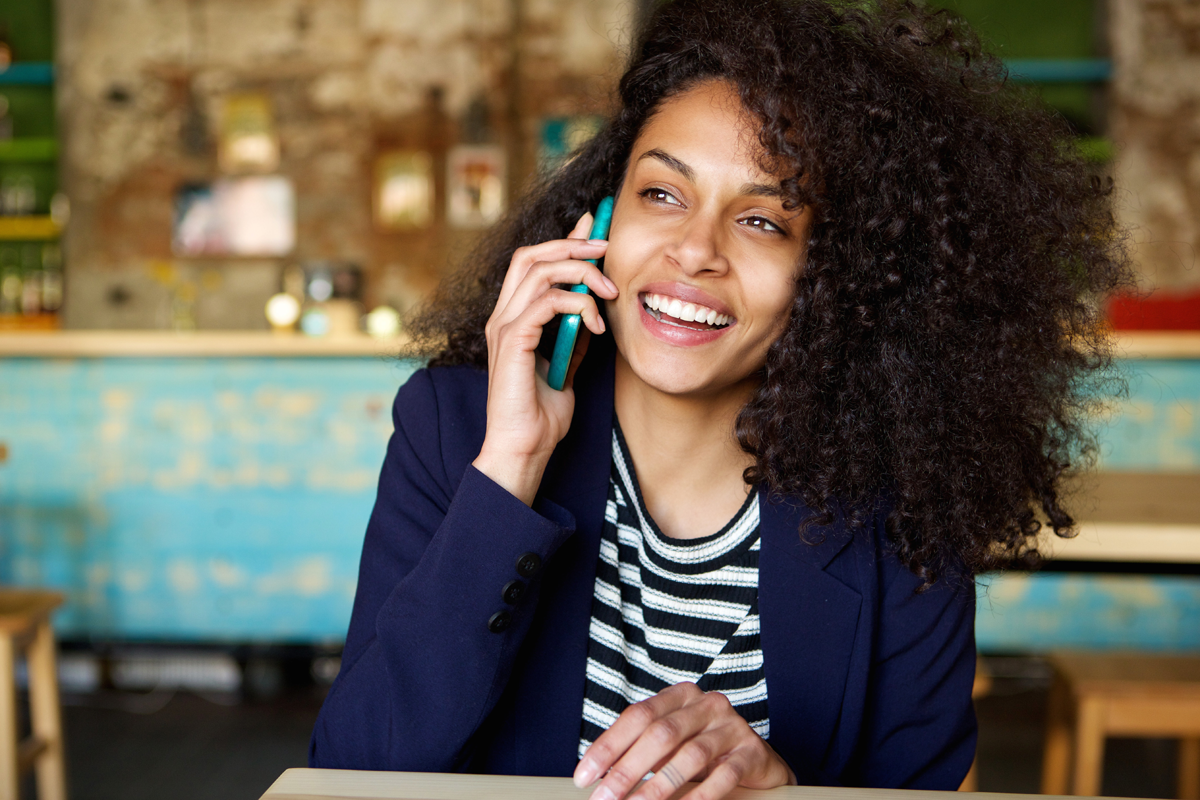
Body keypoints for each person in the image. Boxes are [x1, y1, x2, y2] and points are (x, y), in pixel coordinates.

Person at [310, 0, 1131, 795]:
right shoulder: (458, 431)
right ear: (596, 223)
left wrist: (785, 792)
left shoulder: (910, 504)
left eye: (764, 221)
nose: (694, 250)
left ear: (835, 278)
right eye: (662, 194)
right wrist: (513, 468)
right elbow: (352, 771)